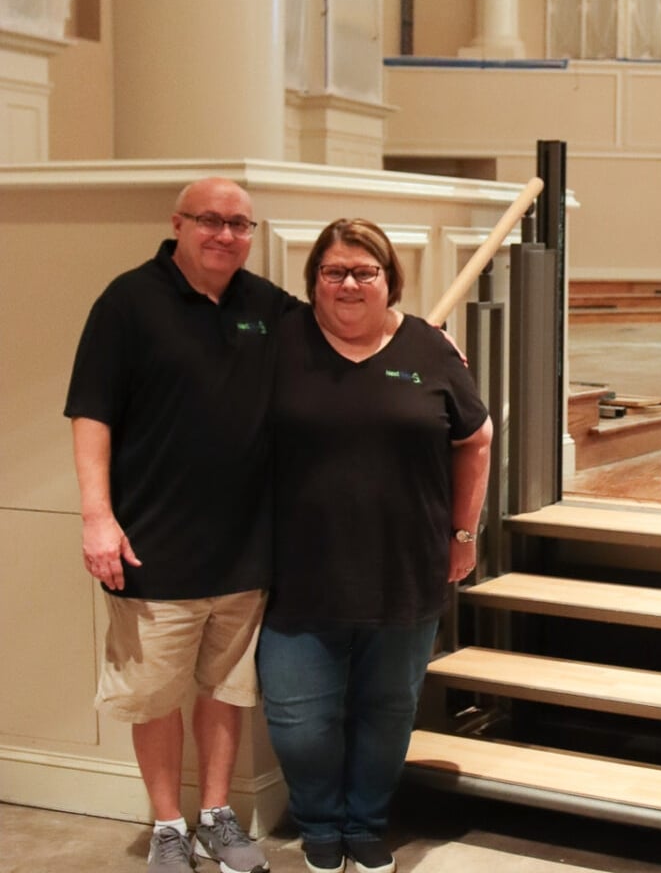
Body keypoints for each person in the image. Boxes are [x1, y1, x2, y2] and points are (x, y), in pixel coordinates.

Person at [65, 178, 293, 873]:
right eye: (211, 221)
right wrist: (97, 518)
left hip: (245, 551)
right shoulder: (128, 301)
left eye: (240, 225)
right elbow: (91, 414)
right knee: (155, 698)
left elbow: (348, 329)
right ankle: (169, 825)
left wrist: (423, 340)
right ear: (179, 224)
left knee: (226, 693)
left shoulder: (266, 306)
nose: (226, 236)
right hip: (151, 550)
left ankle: (219, 815)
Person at [257, 218, 493, 873]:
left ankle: (363, 823)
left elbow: (475, 438)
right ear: (313, 282)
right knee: (301, 722)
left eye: (365, 271)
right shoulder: (279, 342)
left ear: (391, 279)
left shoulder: (430, 348)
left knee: (387, 713)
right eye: (334, 271)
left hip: (405, 569)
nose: (350, 283)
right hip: (296, 575)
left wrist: (464, 533)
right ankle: (319, 824)